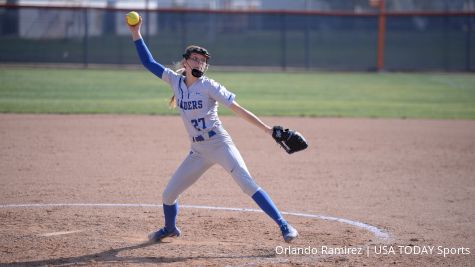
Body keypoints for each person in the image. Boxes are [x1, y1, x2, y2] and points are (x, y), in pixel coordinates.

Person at [126, 16, 298, 243]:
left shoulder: (209, 85)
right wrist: (136, 32)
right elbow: (148, 63)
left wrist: (268, 130)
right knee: (168, 195)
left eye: (202, 61)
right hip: (197, 150)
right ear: (185, 62)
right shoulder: (174, 81)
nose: (199, 63)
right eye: (195, 59)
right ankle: (169, 228)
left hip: (219, 144)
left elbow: (238, 109)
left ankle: (285, 226)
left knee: (247, 184)